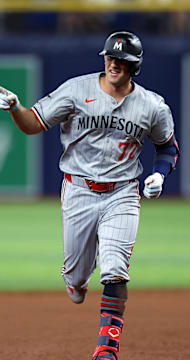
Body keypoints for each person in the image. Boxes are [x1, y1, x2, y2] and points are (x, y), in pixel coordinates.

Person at [0, 31, 179, 360]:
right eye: (110, 57)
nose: (113, 63)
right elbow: (33, 124)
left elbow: (167, 147)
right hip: (79, 191)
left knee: (114, 269)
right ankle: (76, 278)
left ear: (134, 66)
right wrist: (15, 107)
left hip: (123, 193)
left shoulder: (152, 105)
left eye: (121, 60)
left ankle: (107, 348)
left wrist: (159, 174)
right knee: (77, 277)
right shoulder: (75, 90)